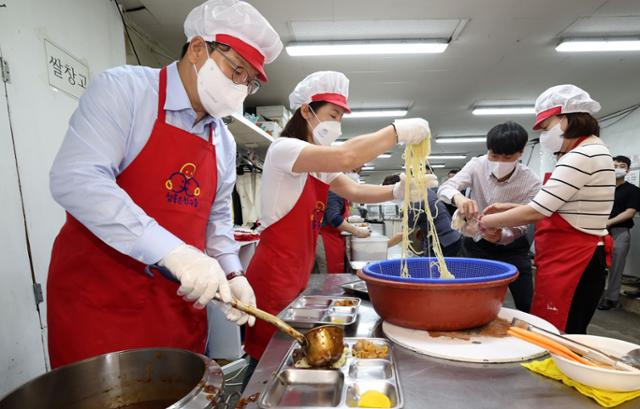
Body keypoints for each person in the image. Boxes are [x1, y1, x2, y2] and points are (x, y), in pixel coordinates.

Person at [46, 0, 282, 368]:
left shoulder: (224, 140)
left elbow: (217, 223)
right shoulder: (125, 92)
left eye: (248, 82)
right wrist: (173, 252)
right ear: (199, 49)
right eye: (236, 70)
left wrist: (235, 273)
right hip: (99, 309)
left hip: (177, 312)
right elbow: (76, 180)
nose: (240, 87)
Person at [243, 71, 430, 377]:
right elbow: (345, 157)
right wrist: (396, 131)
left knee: (289, 359)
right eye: (333, 114)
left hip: (297, 274)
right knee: (266, 360)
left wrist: (399, 191)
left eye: (341, 117)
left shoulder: (316, 164)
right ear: (306, 110)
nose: (337, 124)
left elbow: (355, 190)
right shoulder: (285, 149)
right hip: (273, 277)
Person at [480, 84, 614, 334]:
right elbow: (558, 205)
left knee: (562, 333)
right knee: (556, 330)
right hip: (568, 256)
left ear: (566, 119)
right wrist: (510, 207)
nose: (544, 134)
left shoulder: (581, 156)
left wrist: (487, 221)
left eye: (546, 126)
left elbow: (538, 211)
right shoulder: (589, 151)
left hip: (575, 259)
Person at [437, 121, 541, 312]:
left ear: (521, 153)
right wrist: (459, 198)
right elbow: (446, 188)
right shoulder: (477, 165)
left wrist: (504, 235)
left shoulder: (531, 181)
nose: (499, 161)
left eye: (508, 157)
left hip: (513, 248)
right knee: (465, 295)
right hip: (475, 244)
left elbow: (528, 218)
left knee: (526, 302)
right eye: (494, 155)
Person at [598, 155, 640, 309]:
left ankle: (611, 298)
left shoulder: (633, 190)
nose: (617, 169)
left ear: (628, 169)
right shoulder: (601, 188)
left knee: (616, 266)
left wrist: (607, 223)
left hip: (619, 232)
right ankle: (595, 294)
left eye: (622, 166)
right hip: (597, 231)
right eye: (614, 165)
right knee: (596, 264)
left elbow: (629, 213)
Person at [384, 174, 461, 257]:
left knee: (432, 267)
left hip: (444, 241)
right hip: (452, 236)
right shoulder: (423, 191)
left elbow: (404, 233)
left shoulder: (414, 200)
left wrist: (384, 246)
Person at [316, 170, 371, 274]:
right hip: (326, 238)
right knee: (330, 274)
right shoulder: (336, 193)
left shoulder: (341, 194)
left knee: (335, 272)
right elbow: (333, 218)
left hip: (334, 237)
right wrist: (357, 231)